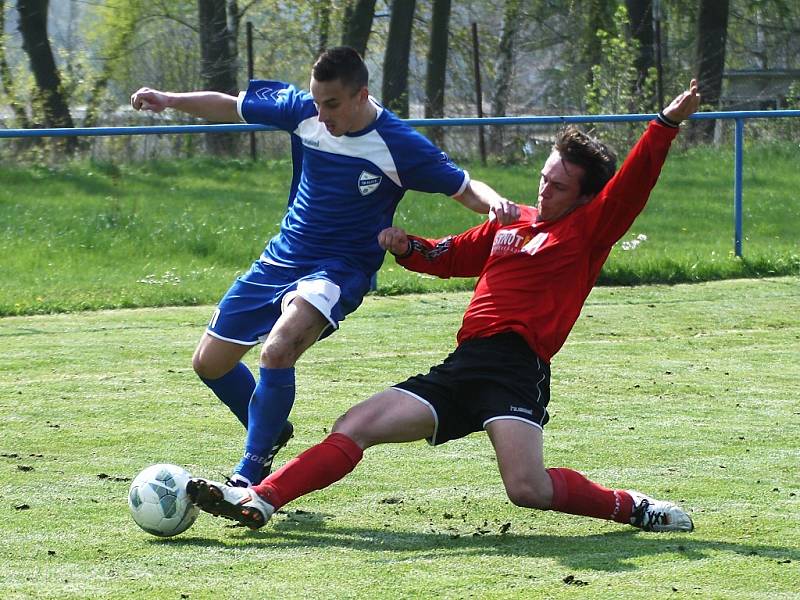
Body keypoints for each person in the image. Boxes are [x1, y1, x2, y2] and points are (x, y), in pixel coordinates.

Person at [186, 80, 701, 533]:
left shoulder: (588, 232)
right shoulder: (511, 223)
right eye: (544, 176)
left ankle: (632, 508)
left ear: (587, 198)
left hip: (514, 370)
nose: (544, 189)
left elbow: (631, 188)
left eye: (559, 185)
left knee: (527, 489)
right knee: (355, 424)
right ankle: (259, 498)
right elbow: (452, 255)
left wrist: (664, 125)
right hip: (463, 365)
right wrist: (408, 246)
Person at [130, 47, 519, 486]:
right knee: (210, 364)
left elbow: (465, 188)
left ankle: (250, 473)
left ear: (360, 95)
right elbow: (230, 102)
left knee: (277, 351)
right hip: (281, 257)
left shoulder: (397, 143)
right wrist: (168, 99)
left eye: (331, 104)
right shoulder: (304, 112)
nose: (322, 113)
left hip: (339, 268)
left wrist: (496, 205)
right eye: (317, 102)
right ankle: (272, 429)